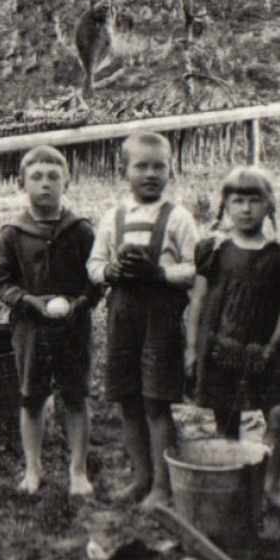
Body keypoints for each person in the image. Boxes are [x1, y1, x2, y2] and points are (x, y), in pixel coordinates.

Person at [87, 132, 200, 508]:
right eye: (141, 166)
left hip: (161, 320)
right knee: (128, 401)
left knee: (156, 402)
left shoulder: (179, 218)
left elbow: (196, 268)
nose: (151, 174)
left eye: (159, 166)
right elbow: (94, 265)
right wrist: (111, 272)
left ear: (171, 170)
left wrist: (160, 273)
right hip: (122, 320)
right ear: (124, 171)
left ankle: (163, 488)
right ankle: (141, 478)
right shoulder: (113, 217)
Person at [0, 145, 102, 498]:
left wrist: (80, 303)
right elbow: (0, 282)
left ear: (67, 181)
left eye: (54, 176)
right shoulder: (13, 233)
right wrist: (27, 301)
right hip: (30, 329)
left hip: (73, 329)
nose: (45, 184)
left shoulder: (81, 230)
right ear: (21, 182)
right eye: (36, 177)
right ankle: (33, 468)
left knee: (76, 396)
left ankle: (78, 470)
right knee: (31, 398)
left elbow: (97, 278)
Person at [189, 166, 280, 512]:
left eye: (255, 200)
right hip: (223, 348)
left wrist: (272, 345)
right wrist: (192, 349)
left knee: (279, 414)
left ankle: (269, 488)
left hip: (264, 352)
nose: (246, 209)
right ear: (225, 205)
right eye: (238, 200)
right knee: (227, 422)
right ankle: (234, 488)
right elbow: (198, 300)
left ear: (269, 206)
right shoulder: (214, 251)